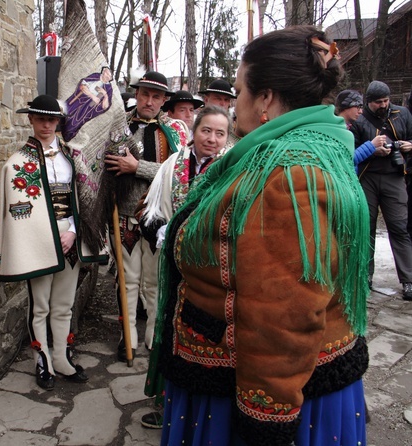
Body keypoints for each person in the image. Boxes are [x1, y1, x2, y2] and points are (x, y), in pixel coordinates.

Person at [152, 26, 370, 445]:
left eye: (239, 92)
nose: (234, 110)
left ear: (266, 98)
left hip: (256, 393)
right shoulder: (300, 150)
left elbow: (283, 317)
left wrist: (264, 426)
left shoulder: (290, 174)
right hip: (241, 377)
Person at [0, 95, 105, 390]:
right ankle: (41, 359)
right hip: (39, 239)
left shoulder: (73, 157)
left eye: (52, 119)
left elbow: (83, 196)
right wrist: (46, 236)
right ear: (30, 119)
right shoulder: (18, 164)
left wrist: (73, 230)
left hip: (70, 237)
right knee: (40, 305)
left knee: (64, 304)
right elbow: (20, 213)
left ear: (58, 122)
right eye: (41, 118)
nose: (46, 124)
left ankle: (62, 357)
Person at [139, 105, 231, 430]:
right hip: (173, 270)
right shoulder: (172, 165)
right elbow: (149, 213)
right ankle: (168, 406)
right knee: (168, 332)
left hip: (209, 276)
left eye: (220, 133)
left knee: (203, 339)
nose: (212, 139)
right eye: (207, 130)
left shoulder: (231, 170)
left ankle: (200, 414)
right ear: (195, 131)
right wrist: (162, 229)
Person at [103, 71, 188, 362]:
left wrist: (137, 167)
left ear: (164, 100)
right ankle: (128, 336)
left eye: (156, 96)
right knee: (127, 280)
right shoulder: (119, 127)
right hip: (124, 217)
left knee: (154, 281)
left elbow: (175, 173)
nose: (149, 101)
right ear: (136, 95)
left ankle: (155, 334)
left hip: (157, 218)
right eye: (144, 94)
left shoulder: (174, 132)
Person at [350, 80, 412, 299]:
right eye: (378, 102)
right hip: (368, 177)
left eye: (386, 100)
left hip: (395, 177)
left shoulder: (402, 114)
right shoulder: (360, 120)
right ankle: (365, 276)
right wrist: (372, 151)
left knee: (399, 227)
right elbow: (352, 150)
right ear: (369, 102)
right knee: (366, 228)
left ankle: (408, 280)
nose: (383, 105)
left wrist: (408, 145)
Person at [335, 89, 388, 173]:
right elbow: (345, 161)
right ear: (346, 106)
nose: (360, 111)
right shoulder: (336, 130)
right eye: (358, 107)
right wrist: (371, 145)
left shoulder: (348, 127)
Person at [62, 65, 114, 142]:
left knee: (75, 123)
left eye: (110, 76)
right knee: (66, 113)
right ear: (103, 72)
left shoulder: (109, 88)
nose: (107, 77)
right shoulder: (95, 76)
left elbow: (105, 106)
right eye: (107, 74)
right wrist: (92, 96)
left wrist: (105, 95)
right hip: (79, 99)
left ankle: (66, 137)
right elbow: (83, 87)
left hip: (89, 107)